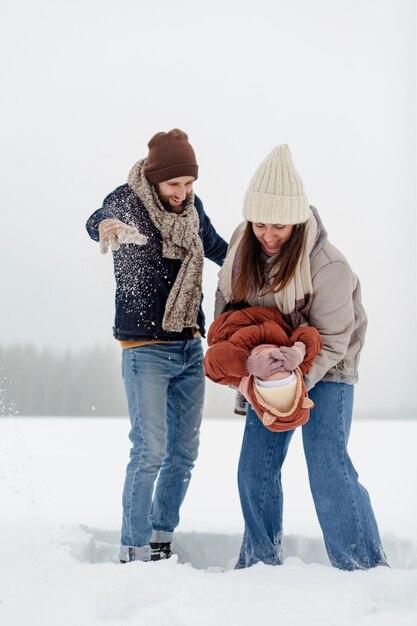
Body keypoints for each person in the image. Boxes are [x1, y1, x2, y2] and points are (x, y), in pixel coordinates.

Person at [215, 144, 388, 571]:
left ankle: (362, 566)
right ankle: (259, 564)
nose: (268, 235)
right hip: (268, 368)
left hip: (329, 365)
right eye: (259, 224)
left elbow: (331, 341)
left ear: (297, 220)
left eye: (279, 226)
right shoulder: (242, 247)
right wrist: (246, 374)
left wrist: (292, 385)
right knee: (254, 469)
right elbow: (226, 309)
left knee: (327, 466)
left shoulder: (329, 266)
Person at [86, 129, 227, 563]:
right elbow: (98, 220)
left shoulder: (192, 210)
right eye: (174, 185)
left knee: (184, 452)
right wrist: (104, 226)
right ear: (154, 178)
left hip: (188, 344)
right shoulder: (128, 200)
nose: (183, 193)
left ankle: (161, 539)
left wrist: (264, 251)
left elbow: (220, 249)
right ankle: (133, 547)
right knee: (150, 451)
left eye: (189, 184)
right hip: (144, 348)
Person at [204, 304, 323, 431]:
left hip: (231, 320)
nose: (274, 360)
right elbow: (312, 335)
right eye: (283, 368)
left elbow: (211, 362)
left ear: (254, 384)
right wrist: (300, 350)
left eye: (269, 372)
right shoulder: (292, 357)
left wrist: (248, 364)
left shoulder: (240, 377)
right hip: (271, 313)